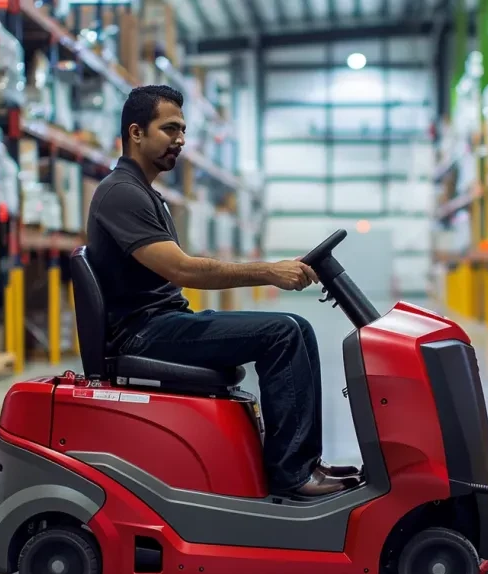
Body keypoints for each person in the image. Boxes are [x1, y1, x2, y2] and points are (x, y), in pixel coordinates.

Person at [85, 85, 359, 497]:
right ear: (136, 132)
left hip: (161, 322)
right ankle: (293, 475)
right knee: (282, 332)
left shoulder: (146, 194)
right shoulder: (121, 193)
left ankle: (303, 464)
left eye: (183, 130)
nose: (180, 139)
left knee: (297, 328)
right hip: (143, 332)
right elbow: (181, 269)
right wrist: (268, 271)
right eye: (170, 129)